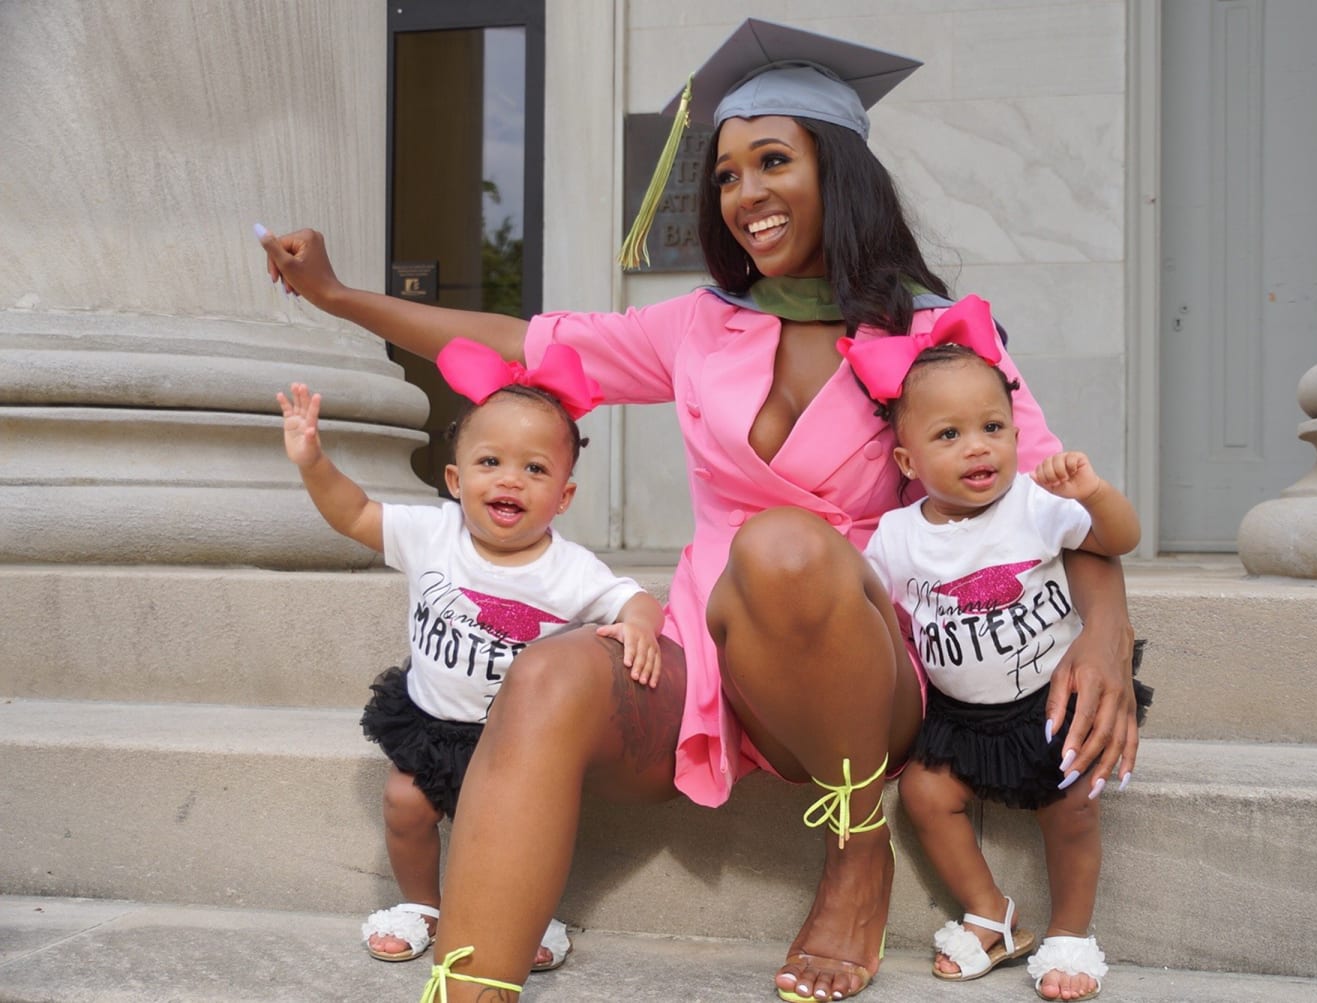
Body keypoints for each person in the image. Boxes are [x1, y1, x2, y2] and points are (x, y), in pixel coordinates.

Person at [257, 18, 1142, 1002]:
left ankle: (857, 850)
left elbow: (1052, 494)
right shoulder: (699, 327)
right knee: (548, 674)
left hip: (863, 671)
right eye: (726, 175)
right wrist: (338, 298)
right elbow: (517, 337)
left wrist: (1105, 634)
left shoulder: (937, 337)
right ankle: (469, 989)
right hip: (708, 658)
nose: (746, 195)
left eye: (774, 161)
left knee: (784, 549)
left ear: (839, 170)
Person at [276, 340, 664, 976]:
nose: (510, 479)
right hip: (431, 722)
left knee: (525, 831)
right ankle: (423, 907)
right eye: (490, 462)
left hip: (517, 741)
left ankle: (527, 914)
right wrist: (313, 461)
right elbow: (352, 512)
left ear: (563, 497)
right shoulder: (433, 533)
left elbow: (632, 599)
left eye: (535, 470)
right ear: (456, 480)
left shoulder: (569, 571)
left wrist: (641, 628)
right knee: (405, 807)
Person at [843, 295, 1150, 1001]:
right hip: (961, 715)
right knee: (923, 793)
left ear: (1017, 431)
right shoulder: (896, 536)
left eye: (993, 427)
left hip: (1050, 702)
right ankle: (992, 914)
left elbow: (1120, 539)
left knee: (1071, 803)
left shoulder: (1037, 505)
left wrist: (1094, 494)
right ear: (906, 457)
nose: (978, 446)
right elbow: (862, 604)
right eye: (949, 435)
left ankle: (1071, 930)